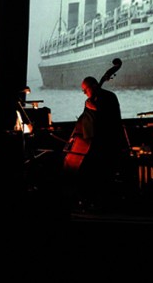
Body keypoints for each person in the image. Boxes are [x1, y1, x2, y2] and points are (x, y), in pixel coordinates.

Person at [62, 76, 128, 213]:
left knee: (97, 175)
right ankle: (86, 203)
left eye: (85, 90)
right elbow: (84, 122)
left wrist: (96, 108)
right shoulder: (89, 101)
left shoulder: (109, 97)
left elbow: (112, 120)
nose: (84, 93)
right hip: (93, 144)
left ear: (92, 86)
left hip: (108, 144)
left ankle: (100, 206)